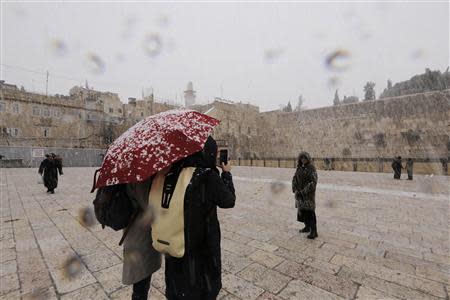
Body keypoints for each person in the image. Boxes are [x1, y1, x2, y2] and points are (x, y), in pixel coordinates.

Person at [164, 136, 236, 300]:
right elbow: (228, 201)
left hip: (176, 244)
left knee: (180, 286)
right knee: (201, 288)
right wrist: (226, 174)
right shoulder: (207, 176)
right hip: (201, 249)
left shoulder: (173, 172)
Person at [122, 177, 162, 300]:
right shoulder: (141, 179)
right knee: (141, 280)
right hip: (140, 235)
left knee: (141, 279)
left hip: (134, 231)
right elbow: (147, 204)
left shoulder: (131, 173)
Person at [292, 152, 318, 239]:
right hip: (299, 194)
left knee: (310, 213)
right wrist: (295, 189)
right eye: (301, 158)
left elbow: (313, 182)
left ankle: (314, 231)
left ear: (308, 159)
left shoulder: (311, 168)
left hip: (308, 196)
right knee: (303, 212)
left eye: (305, 158)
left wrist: (304, 191)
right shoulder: (299, 168)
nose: (303, 160)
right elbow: (294, 178)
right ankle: (307, 227)